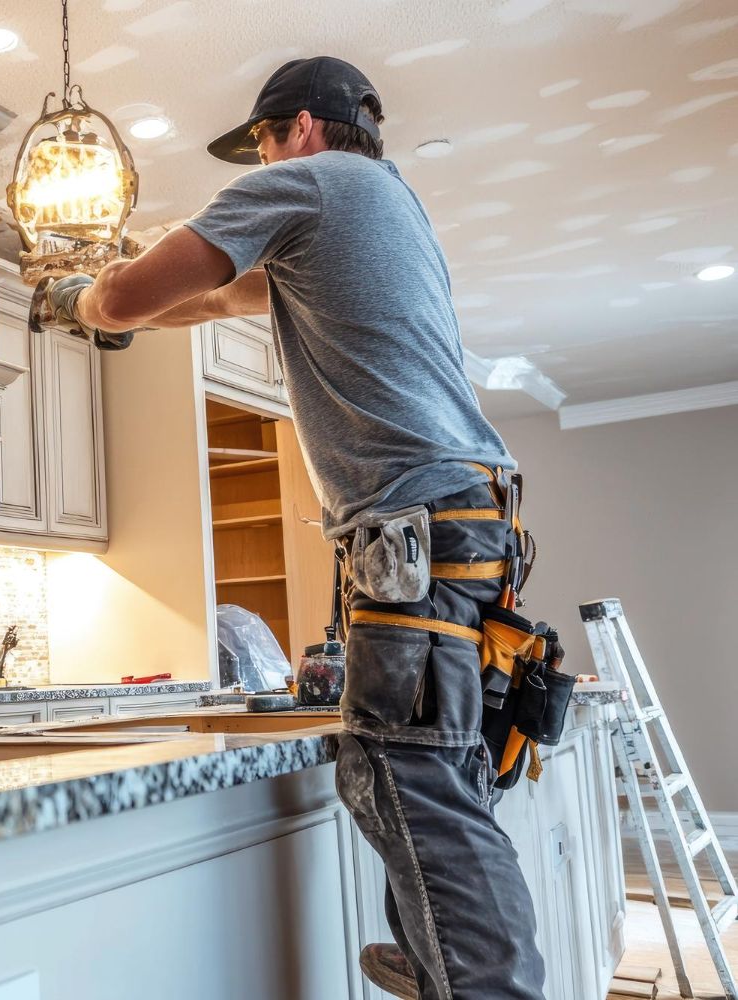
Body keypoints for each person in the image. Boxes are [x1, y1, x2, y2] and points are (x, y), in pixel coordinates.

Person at [35, 57, 544, 999]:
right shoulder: (382, 205)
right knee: (439, 769)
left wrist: (81, 298)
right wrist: (126, 317)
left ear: (301, 128)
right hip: (461, 523)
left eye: (264, 140)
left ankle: (483, 984)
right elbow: (224, 297)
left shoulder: (305, 184)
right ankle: (446, 964)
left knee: (414, 774)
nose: (261, 158)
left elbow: (126, 297)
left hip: (417, 525)